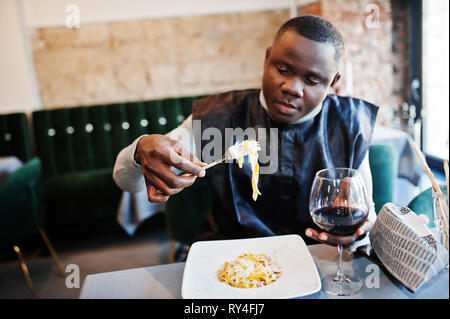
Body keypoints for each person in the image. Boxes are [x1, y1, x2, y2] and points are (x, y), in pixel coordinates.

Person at [113, 15, 378, 249]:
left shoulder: (350, 124)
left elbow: (367, 215)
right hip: (232, 259)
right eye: (282, 70)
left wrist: (359, 233)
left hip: (316, 259)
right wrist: (140, 150)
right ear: (266, 59)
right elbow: (128, 182)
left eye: (311, 80)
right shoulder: (217, 116)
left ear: (333, 83)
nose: (292, 88)